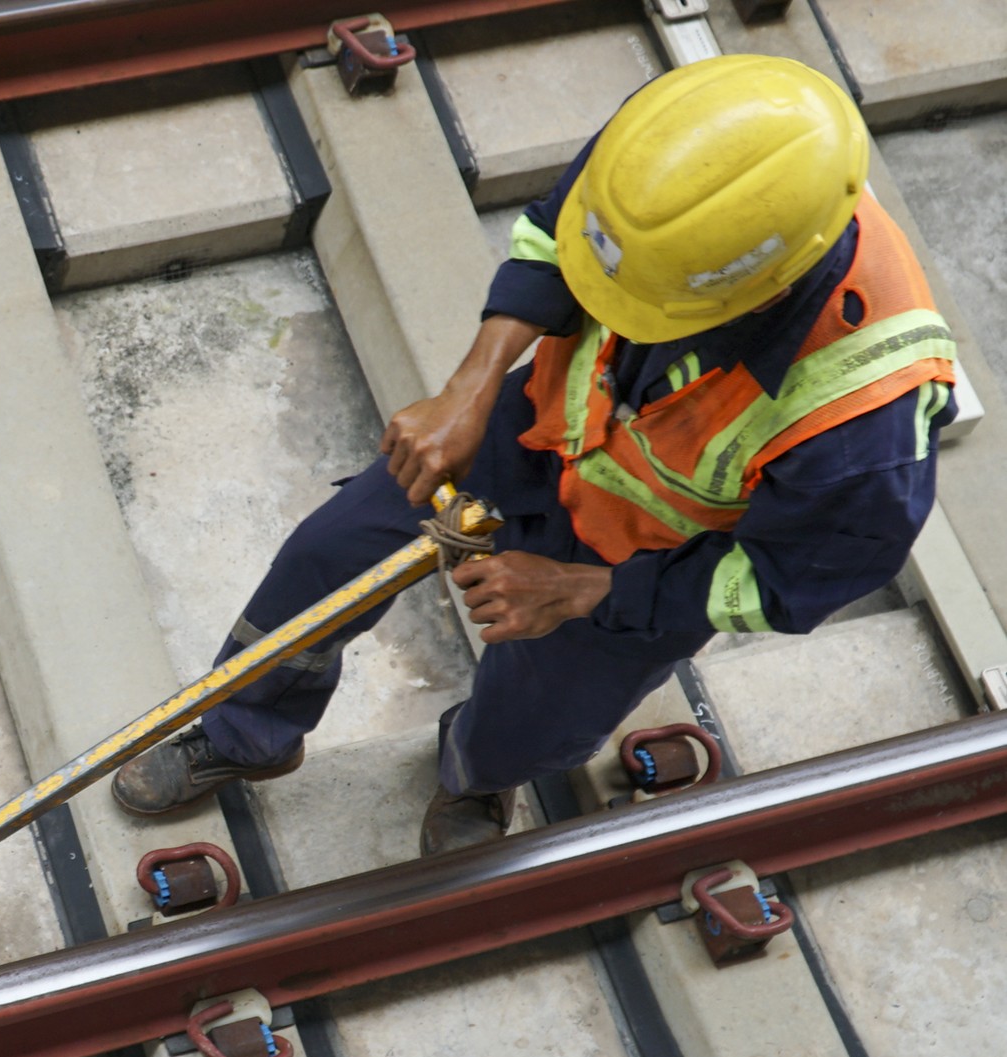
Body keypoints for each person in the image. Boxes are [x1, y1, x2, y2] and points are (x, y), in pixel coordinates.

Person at [111, 54, 959, 854]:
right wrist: (471, 389)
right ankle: (245, 731)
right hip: (533, 434)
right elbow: (555, 239)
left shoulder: (864, 424)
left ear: (750, 294)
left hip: (647, 561)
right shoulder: (674, 154)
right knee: (326, 557)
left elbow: (785, 584)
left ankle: (477, 774)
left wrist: (581, 590)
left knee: (538, 715)